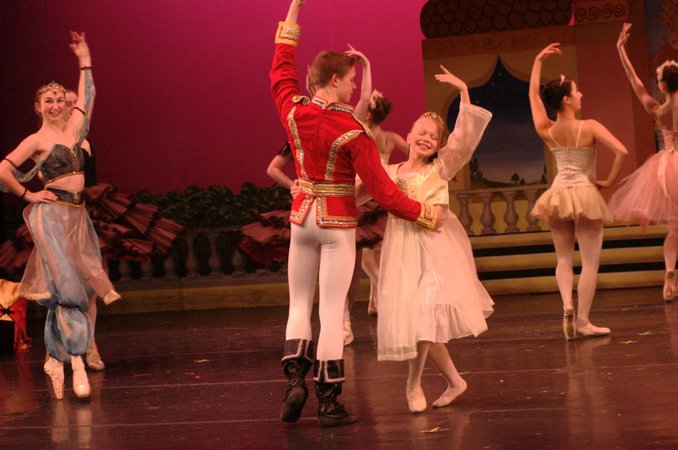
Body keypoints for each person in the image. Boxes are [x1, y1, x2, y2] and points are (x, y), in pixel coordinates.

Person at [272, 0, 443, 427]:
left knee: (298, 303)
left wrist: (294, 10)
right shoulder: (354, 131)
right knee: (331, 311)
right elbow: (384, 192)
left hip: (302, 217)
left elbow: (280, 68)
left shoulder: (293, 110)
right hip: (336, 222)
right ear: (334, 79)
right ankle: (328, 401)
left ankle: (294, 383)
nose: (354, 88)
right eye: (350, 80)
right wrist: (425, 213)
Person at [0, 32, 119, 400]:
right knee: (67, 288)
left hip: (77, 217)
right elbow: (3, 169)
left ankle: (55, 357)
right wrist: (28, 194)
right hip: (50, 217)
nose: (54, 104)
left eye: (57, 99)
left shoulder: (74, 132)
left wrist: (84, 59)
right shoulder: (37, 140)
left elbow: (86, 97)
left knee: (78, 289)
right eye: (47, 101)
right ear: (38, 108)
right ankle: (77, 363)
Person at [376, 66, 494, 413]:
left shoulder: (439, 168)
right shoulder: (389, 173)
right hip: (402, 252)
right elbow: (358, 188)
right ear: (409, 135)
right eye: (422, 132)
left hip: (433, 250)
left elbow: (464, 140)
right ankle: (455, 381)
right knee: (422, 323)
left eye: (434, 136)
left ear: (440, 146)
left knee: (425, 318)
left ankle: (413, 385)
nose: (427, 138)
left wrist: (463, 91)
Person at [529, 43, 628, 340]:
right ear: (567, 100)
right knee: (590, 262)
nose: (581, 94)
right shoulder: (590, 126)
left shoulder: (547, 130)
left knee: (563, 258)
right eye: (577, 91)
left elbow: (533, 96)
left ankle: (567, 306)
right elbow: (621, 151)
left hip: (558, 194)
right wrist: (607, 181)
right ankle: (583, 321)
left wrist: (537, 61)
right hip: (585, 192)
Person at [608, 23, 678, 302]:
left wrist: (621, 50)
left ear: (662, 85)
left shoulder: (657, 109)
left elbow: (636, 84)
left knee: (675, 228)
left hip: (666, 169)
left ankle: (670, 270)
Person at [360, 90, 409, 316]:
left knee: (366, 251)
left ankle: (384, 291)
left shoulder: (362, 132)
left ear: (369, 114)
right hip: (381, 190)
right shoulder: (391, 137)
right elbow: (413, 153)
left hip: (366, 190)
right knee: (377, 249)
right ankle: (375, 302)